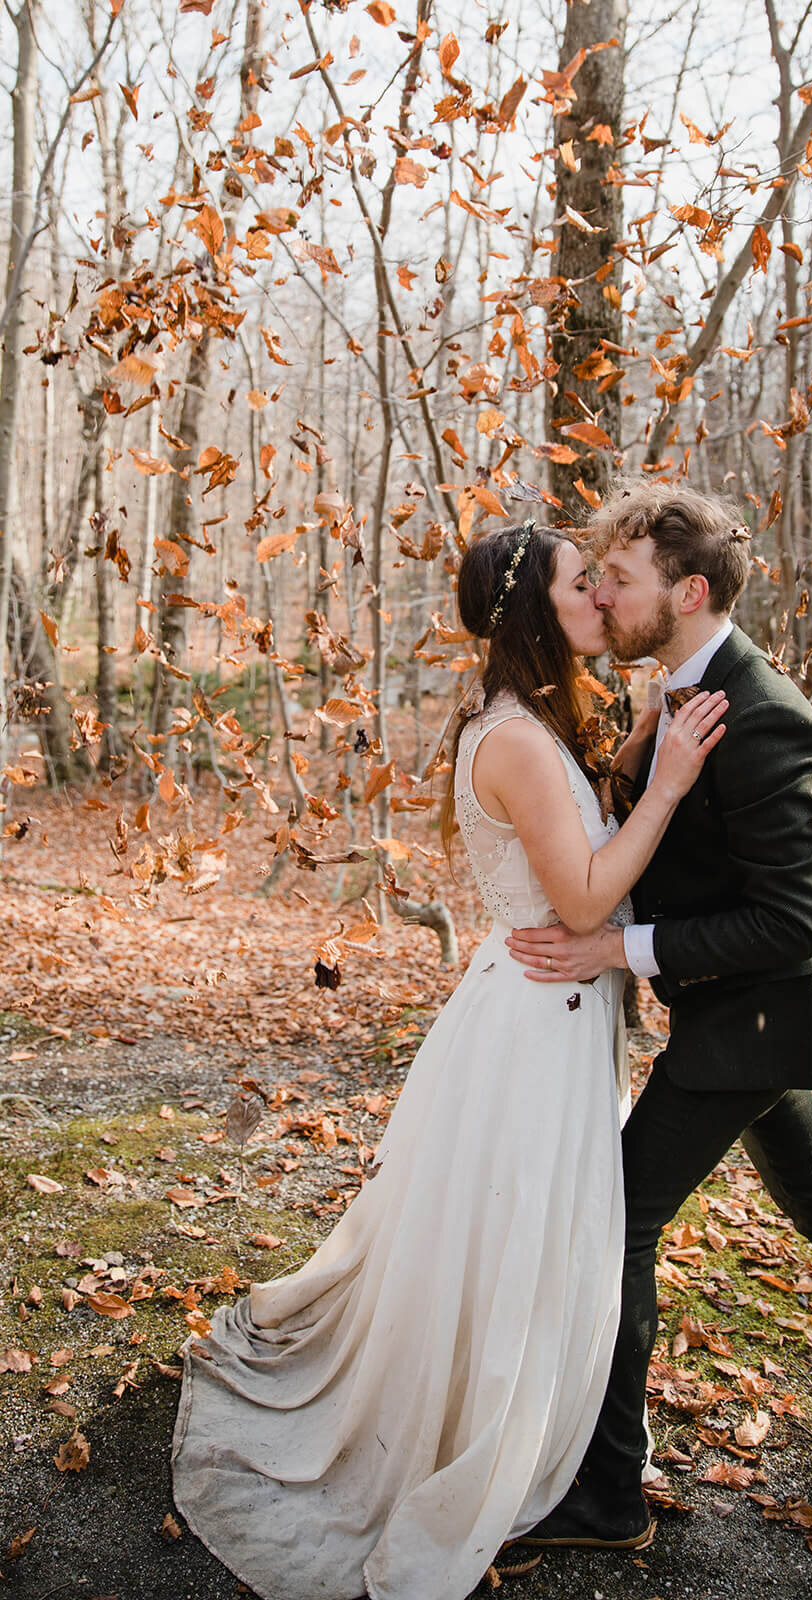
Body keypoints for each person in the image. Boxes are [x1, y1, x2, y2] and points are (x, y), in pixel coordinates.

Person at [170, 519, 728, 1600]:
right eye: (583, 583)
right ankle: (489, 1431)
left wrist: (630, 748)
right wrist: (665, 783)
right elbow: (577, 896)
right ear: (538, 610)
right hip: (533, 1026)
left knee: (515, 1230)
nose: (602, 598)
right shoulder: (513, 737)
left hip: (544, 1013)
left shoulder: (536, 721)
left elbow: (569, 830)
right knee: (518, 1228)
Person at [506, 479, 812, 1555]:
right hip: (740, 1021)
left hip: (746, 1027)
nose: (601, 593)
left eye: (618, 579)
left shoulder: (765, 715)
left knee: (619, 1219)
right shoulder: (681, 694)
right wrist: (640, 759)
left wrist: (614, 948)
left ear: (683, 591)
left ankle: (608, 1490)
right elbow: (683, 852)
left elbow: (786, 926)